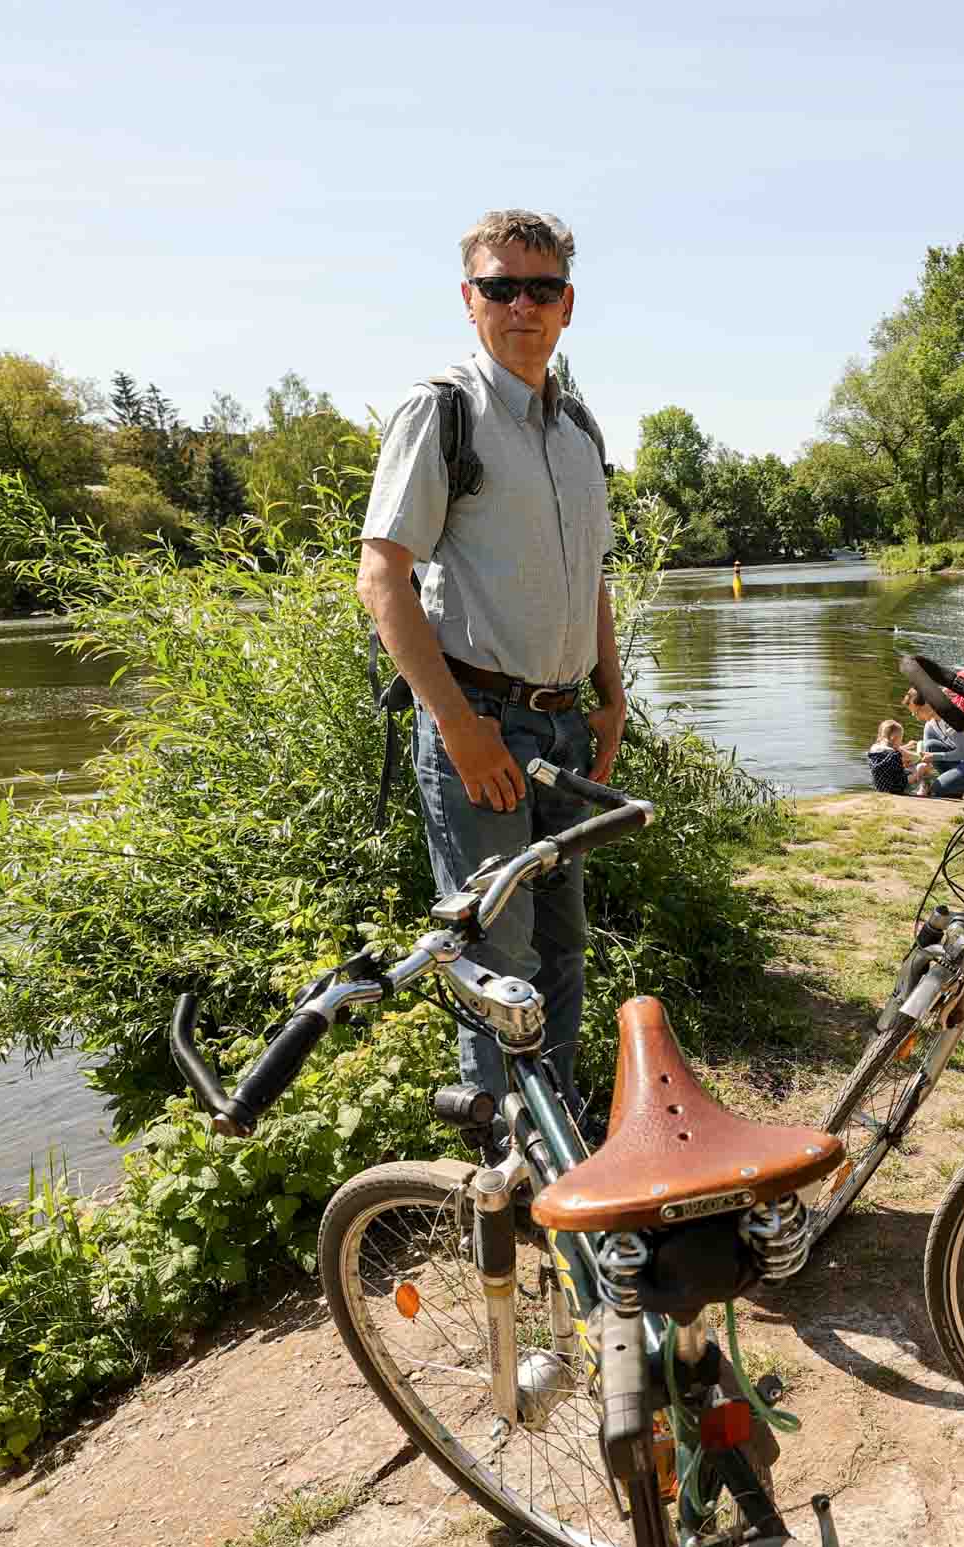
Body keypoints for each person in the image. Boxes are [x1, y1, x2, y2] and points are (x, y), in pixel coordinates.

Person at [355, 208, 620, 1105]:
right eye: (501, 287)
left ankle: (561, 1144)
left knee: (562, 946)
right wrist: (459, 728)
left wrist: (610, 697)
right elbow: (381, 577)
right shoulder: (444, 412)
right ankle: (502, 1161)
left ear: (568, 305)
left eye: (541, 288)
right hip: (483, 729)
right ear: (469, 300)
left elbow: (591, 579)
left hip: (563, 731)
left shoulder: (578, 430)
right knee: (495, 961)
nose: (522, 305)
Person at [904, 687, 964, 800]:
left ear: (928, 705)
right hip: (962, 761)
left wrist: (935, 756)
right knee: (930, 745)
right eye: (913, 714)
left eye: (916, 712)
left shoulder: (951, 720)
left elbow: (963, 753)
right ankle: (955, 786)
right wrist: (916, 763)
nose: (917, 718)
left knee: (938, 788)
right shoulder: (930, 725)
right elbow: (926, 756)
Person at [865, 719, 910, 794]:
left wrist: (907, 746)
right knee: (920, 769)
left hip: (879, 786)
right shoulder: (894, 755)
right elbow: (901, 778)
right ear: (895, 738)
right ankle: (923, 790)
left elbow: (885, 766)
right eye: (900, 739)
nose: (901, 742)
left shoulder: (873, 750)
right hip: (895, 789)